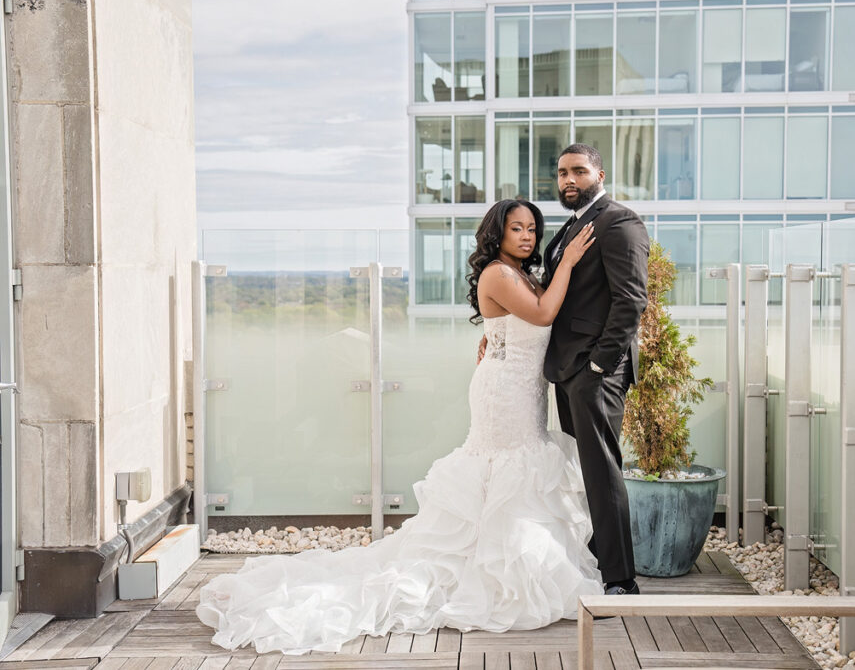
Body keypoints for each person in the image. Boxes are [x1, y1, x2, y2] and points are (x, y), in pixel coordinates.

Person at [196, 199, 601, 655]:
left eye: (531, 228)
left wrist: (496, 333)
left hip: (520, 388)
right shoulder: (497, 273)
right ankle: (484, 569)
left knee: (517, 470)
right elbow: (544, 314)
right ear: (498, 234)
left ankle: (495, 563)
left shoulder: (521, 274)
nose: (526, 236)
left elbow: (525, 322)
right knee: (505, 470)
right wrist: (567, 261)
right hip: (503, 394)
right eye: (516, 229)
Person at [543, 144, 649, 596]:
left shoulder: (618, 221)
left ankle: (620, 579)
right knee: (581, 472)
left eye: (579, 171)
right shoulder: (570, 226)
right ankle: (592, 561)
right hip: (567, 370)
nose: (569, 179)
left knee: (603, 471)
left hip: (595, 372)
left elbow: (631, 300)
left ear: (600, 174)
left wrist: (601, 364)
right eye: (563, 172)